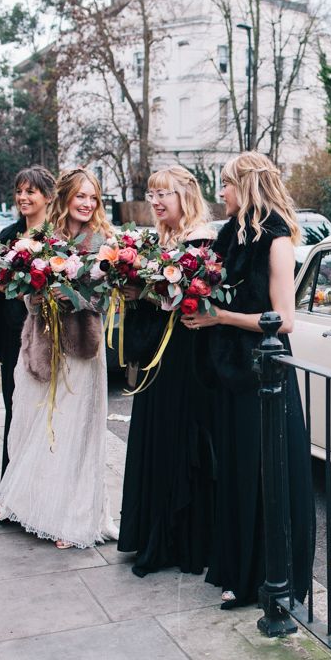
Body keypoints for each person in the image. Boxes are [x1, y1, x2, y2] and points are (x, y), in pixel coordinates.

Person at [181, 151, 315, 609]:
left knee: (266, 474)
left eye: (226, 184)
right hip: (229, 371)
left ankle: (271, 579)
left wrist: (220, 317)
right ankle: (238, 568)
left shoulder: (277, 241)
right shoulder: (228, 235)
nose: (220, 193)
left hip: (264, 372)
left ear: (248, 186)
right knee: (236, 472)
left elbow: (285, 320)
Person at [0, 168, 118, 549]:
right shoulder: (43, 240)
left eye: (93, 198)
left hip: (81, 348)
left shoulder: (103, 244)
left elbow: (105, 299)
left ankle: (71, 517)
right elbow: (23, 293)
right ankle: (34, 506)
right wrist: (40, 294)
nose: (87, 204)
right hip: (41, 343)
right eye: (80, 196)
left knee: (73, 430)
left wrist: (74, 297)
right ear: (64, 198)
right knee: (30, 423)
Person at [117, 166, 217, 576]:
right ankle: (151, 530)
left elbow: (195, 299)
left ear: (186, 195)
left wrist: (145, 290)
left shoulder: (201, 239)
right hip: (158, 352)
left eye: (165, 194)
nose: (156, 202)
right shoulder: (161, 240)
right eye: (152, 194)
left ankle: (181, 538)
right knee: (155, 435)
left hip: (185, 356)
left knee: (179, 438)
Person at [0, 166, 56, 479]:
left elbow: (48, 286)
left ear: (47, 197)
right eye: (19, 191)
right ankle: (11, 489)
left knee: (39, 413)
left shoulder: (55, 238)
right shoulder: (7, 235)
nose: (23, 197)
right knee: (14, 409)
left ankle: (39, 487)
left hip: (43, 336)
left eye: (30, 192)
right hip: (11, 337)